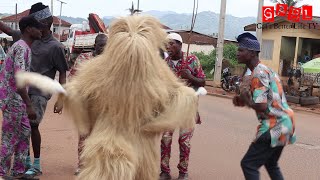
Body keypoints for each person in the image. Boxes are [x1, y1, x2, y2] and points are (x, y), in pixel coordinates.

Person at [233, 32, 296, 180]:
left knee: (248, 164)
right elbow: (266, 100)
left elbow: (261, 106)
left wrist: (246, 101)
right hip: (286, 123)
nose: (237, 53)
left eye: (241, 50)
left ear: (252, 53)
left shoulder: (258, 74)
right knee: (271, 163)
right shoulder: (266, 70)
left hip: (275, 125)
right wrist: (244, 100)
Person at [23, 3, 69, 178]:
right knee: (23, 128)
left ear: (48, 21)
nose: (34, 25)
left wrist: (61, 99)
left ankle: (36, 164)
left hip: (40, 94)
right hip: (24, 91)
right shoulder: (29, 38)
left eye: (37, 22)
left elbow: (63, 74)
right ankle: (26, 161)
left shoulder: (56, 47)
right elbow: (8, 30)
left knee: (32, 126)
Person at [0, 16, 42, 179]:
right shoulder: (21, 48)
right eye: (37, 27)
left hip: (18, 100)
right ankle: (2, 173)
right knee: (10, 135)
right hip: (12, 99)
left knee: (24, 133)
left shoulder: (24, 47)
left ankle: (18, 170)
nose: (41, 31)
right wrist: (29, 105)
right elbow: (19, 79)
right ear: (28, 29)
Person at [160, 33, 205, 180]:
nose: (169, 47)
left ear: (180, 45)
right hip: (170, 108)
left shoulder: (192, 60)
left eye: (172, 44)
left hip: (188, 108)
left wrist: (190, 77)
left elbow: (202, 82)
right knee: (165, 139)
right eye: (167, 44)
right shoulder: (165, 63)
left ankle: (183, 172)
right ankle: (165, 171)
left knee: (184, 141)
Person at [64, 33, 108, 175]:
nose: (104, 48)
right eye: (101, 45)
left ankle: (99, 166)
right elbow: (73, 78)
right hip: (86, 104)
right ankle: (82, 165)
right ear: (95, 45)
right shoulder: (84, 58)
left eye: (107, 46)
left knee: (103, 137)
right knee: (84, 135)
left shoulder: (110, 61)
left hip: (104, 106)